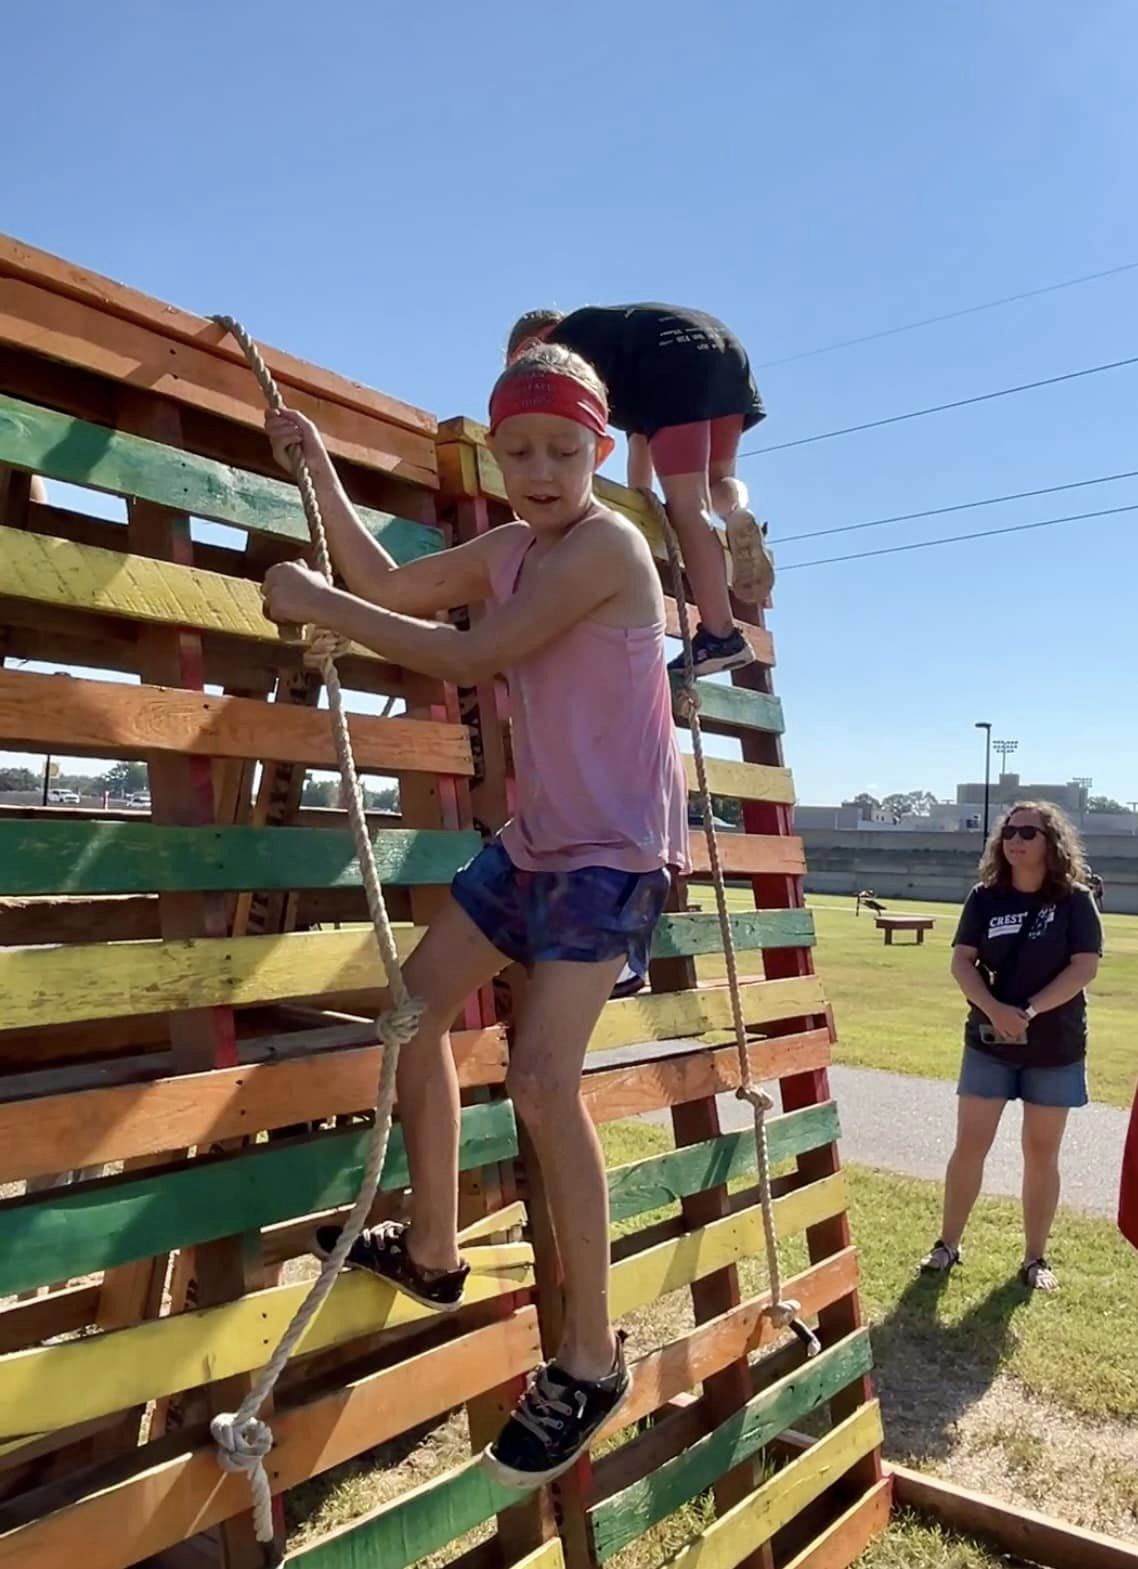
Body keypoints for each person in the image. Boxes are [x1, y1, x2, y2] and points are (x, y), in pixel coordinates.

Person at [258, 340, 689, 1486]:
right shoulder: (509, 545)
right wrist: (321, 477)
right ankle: (437, 1249)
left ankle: (590, 1361)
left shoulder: (608, 549)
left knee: (544, 1080)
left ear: (599, 451)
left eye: (564, 448)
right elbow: (396, 586)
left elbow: (469, 653)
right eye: (520, 450)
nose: (542, 468)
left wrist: (319, 608)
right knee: (409, 1011)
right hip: (539, 842)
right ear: (496, 455)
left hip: (613, 854)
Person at [506, 304, 772, 676]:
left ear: (532, 344)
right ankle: (737, 513)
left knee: (687, 507)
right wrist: (645, 513)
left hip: (673, 362)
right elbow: (640, 443)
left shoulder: (563, 351)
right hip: (722, 349)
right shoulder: (614, 341)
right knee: (715, 482)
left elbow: (565, 435)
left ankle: (720, 636)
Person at [920, 803, 1103, 1290]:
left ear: (1051, 843)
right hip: (988, 1044)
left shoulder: (1075, 900)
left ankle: (1035, 1259)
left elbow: (1084, 967)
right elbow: (962, 962)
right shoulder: (985, 898)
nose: (1015, 839)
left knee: (1041, 1154)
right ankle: (947, 1245)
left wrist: (1029, 1011)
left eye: (1028, 832)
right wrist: (993, 1010)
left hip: (1054, 1047)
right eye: (1009, 831)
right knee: (969, 1147)